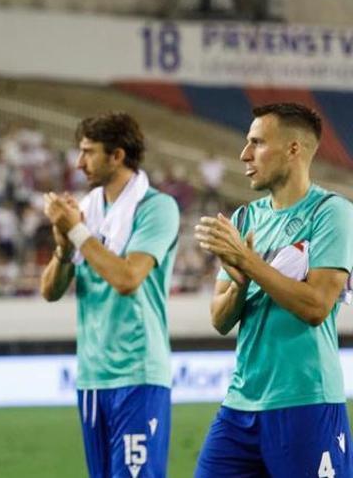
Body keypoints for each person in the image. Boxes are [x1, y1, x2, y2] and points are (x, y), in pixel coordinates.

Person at [193, 103, 353, 477]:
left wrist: (248, 263)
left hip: (306, 401)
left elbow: (316, 306)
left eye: (257, 143)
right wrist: (239, 283)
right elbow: (219, 319)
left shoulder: (331, 213)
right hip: (241, 404)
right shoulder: (244, 219)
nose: (244, 154)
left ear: (294, 149)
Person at [39, 113, 179, 478]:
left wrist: (79, 233)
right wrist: (63, 246)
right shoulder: (85, 210)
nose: (79, 162)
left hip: (138, 373)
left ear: (117, 155)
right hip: (92, 375)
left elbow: (129, 277)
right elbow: (49, 292)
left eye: (88, 152)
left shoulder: (156, 208)